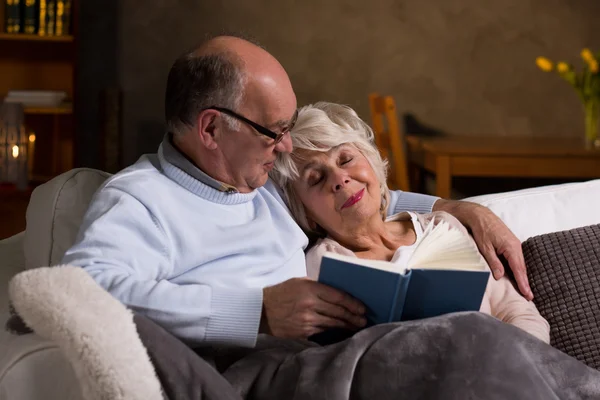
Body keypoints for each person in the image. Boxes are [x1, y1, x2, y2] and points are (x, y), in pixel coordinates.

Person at [61, 35, 533, 347]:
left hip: (313, 361)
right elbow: (81, 289)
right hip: (253, 371)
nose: (284, 145)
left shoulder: (263, 182)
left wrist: (460, 209)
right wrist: (255, 313)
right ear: (210, 129)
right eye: (272, 131)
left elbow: (361, 199)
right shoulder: (142, 198)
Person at [270, 102, 550, 343]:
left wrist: (514, 365)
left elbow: (518, 312)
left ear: (372, 165)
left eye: (346, 159)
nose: (339, 179)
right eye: (316, 178)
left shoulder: (443, 226)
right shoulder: (323, 266)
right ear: (307, 215)